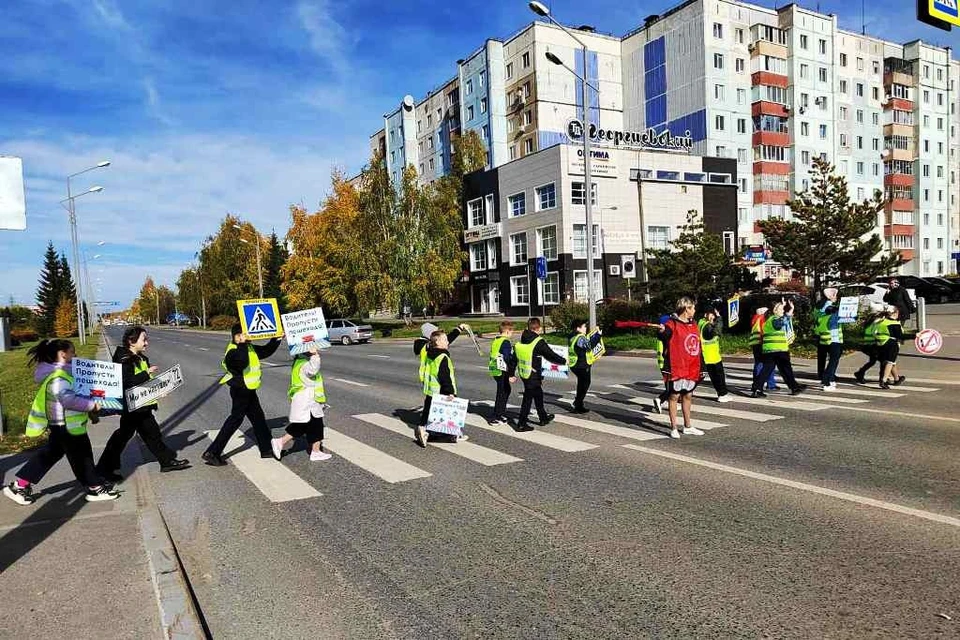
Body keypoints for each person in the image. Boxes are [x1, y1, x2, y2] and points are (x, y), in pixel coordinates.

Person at [4, 339, 119, 505]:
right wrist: (91, 405)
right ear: (63, 354)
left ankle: (20, 485)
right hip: (67, 427)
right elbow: (68, 400)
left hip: (64, 425)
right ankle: (95, 488)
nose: (76, 354)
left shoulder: (63, 373)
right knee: (82, 456)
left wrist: (91, 412)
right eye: (73, 352)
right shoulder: (59, 377)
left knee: (50, 454)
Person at [96, 326, 190, 481]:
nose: (146, 343)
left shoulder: (141, 358)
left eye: (146, 339)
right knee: (133, 435)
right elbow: (125, 382)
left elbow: (146, 383)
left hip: (141, 405)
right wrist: (146, 373)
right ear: (131, 342)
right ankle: (104, 468)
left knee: (146, 434)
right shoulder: (122, 359)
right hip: (132, 406)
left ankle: (165, 461)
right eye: (143, 339)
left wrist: (159, 390)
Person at [202, 324, 282, 466]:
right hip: (240, 390)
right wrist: (243, 343)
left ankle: (266, 449)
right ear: (236, 336)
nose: (247, 337)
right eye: (242, 335)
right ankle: (212, 452)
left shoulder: (248, 347)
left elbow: (265, 351)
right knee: (235, 419)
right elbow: (242, 362)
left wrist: (276, 339)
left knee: (258, 418)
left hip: (248, 389)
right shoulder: (233, 351)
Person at [271, 346, 332, 461]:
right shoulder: (304, 364)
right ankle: (281, 442)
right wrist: (315, 355)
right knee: (306, 426)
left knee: (313, 426)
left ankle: (315, 451)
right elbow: (313, 370)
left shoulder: (299, 361)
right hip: (307, 401)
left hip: (308, 401)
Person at [657, 297, 705, 439]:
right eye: (693, 308)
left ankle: (688, 426)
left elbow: (697, 345)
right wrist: (661, 331)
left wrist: (702, 365)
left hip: (691, 366)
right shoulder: (672, 324)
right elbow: (664, 336)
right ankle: (673, 427)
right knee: (674, 396)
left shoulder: (693, 324)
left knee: (688, 395)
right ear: (686, 309)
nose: (695, 310)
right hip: (677, 366)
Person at [417, 327, 468, 447]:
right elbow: (444, 376)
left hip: (431, 389)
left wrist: (458, 329)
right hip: (441, 390)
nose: (447, 342)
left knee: (428, 410)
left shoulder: (430, 352)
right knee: (448, 413)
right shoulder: (443, 357)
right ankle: (451, 435)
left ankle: (423, 428)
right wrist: (450, 392)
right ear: (438, 342)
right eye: (445, 340)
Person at [514, 317, 567, 432]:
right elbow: (550, 355)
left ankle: (543, 417)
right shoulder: (538, 342)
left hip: (525, 372)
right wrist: (564, 361)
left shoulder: (523, 338)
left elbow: (516, 357)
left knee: (538, 394)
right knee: (528, 399)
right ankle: (521, 424)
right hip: (532, 374)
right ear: (538, 328)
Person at [751, 301, 805, 397]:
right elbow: (780, 323)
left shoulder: (768, 320)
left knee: (767, 370)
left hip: (769, 350)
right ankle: (794, 387)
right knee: (786, 370)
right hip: (779, 350)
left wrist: (788, 311)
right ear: (774, 310)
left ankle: (757, 389)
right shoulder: (774, 319)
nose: (783, 311)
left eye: (783, 309)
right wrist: (789, 313)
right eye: (780, 309)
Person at [568, 320, 603, 414]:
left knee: (582, 383)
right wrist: (598, 335)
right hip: (582, 365)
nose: (585, 328)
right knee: (585, 383)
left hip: (574, 364)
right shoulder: (580, 338)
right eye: (584, 327)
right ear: (578, 328)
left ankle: (578, 403)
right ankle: (578, 403)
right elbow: (589, 345)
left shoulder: (572, 336)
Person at [487, 321, 517, 426]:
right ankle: (496, 417)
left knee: (505, 390)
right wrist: (511, 374)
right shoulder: (505, 342)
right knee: (503, 392)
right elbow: (507, 358)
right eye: (512, 331)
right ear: (508, 331)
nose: (512, 334)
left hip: (495, 369)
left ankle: (499, 414)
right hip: (501, 370)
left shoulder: (497, 340)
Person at [698, 307, 730, 402]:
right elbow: (717, 331)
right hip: (712, 356)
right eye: (711, 314)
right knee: (718, 377)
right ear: (705, 315)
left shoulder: (701, 323)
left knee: (710, 377)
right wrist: (719, 318)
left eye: (714, 315)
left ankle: (722, 394)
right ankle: (722, 395)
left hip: (708, 355)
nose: (713, 317)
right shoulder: (707, 326)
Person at [814, 289, 843, 391]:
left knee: (823, 360)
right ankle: (827, 381)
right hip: (834, 339)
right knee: (833, 361)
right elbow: (839, 320)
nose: (837, 298)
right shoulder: (832, 309)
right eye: (836, 296)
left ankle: (827, 378)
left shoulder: (819, 308)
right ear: (831, 296)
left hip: (823, 338)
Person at [750, 307, 779, 391]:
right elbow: (764, 332)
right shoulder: (763, 319)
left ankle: (760, 384)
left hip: (755, 344)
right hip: (762, 344)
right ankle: (767, 385)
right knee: (768, 364)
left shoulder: (755, 319)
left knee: (760, 364)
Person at [877, 306, 906, 389]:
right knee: (890, 362)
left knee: (891, 362)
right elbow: (900, 335)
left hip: (881, 343)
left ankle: (897, 379)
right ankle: (884, 380)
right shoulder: (894, 323)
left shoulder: (882, 321)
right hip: (892, 343)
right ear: (895, 313)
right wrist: (915, 336)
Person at [854, 311, 885, 384]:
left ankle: (860, 373)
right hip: (872, 346)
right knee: (883, 361)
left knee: (872, 361)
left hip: (867, 346)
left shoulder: (869, 323)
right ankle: (883, 378)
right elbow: (877, 335)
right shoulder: (876, 324)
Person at [651, 313, 671, 413]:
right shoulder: (664, 336)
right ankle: (660, 400)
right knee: (670, 387)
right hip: (666, 365)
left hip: (664, 364)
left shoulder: (661, 334)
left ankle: (669, 401)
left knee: (671, 386)